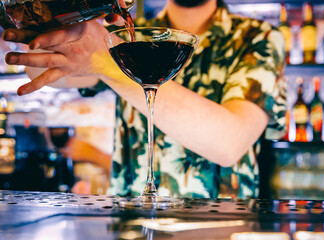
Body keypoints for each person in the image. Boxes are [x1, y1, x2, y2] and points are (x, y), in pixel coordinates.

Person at [2, 0, 287, 198]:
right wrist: (53, 23)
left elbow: (230, 143)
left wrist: (105, 61)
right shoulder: (124, 32)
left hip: (221, 225)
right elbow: (49, 70)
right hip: (133, 224)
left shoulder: (258, 38)